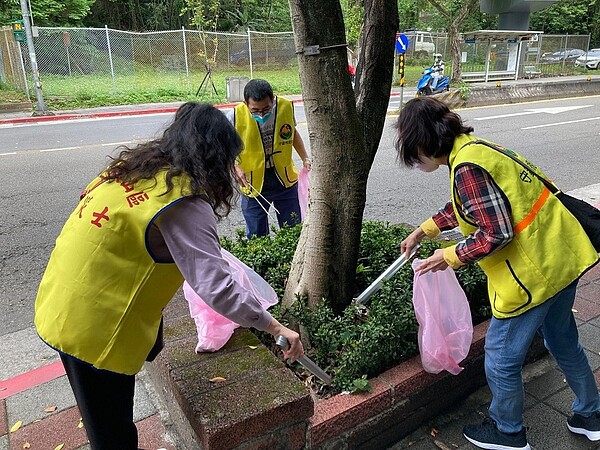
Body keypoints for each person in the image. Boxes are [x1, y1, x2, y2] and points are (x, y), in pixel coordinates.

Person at [34, 102, 304, 450]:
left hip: (61, 298)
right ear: (214, 157)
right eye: (229, 160)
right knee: (111, 433)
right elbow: (217, 288)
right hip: (92, 328)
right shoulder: (183, 202)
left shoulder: (130, 169)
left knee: (105, 414)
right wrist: (275, 327)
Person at [395, 96, 600, 450]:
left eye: (412, 149)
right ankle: (591, 415)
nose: (414, 160)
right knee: (564, 341)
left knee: (502, 357)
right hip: (561, 257)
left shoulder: (467, 167)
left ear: (424, 141)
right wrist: (424, 230)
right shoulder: (475, 149)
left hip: (533, 276)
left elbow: (496, 233)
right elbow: (468, 205)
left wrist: (450, 255)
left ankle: (508, 432)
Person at [229, 78, 311, 238]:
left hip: (284, 179)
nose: (261, 114)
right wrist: (234, 167)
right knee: (256, 234)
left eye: (266, 109)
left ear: (272, 100)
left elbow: (292, 133)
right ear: (246, 103)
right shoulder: (234, 116)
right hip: (253, 183)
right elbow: (223, 147)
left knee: (293, 231)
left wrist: (305, 157)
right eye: (255, 111)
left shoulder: (286, 107)